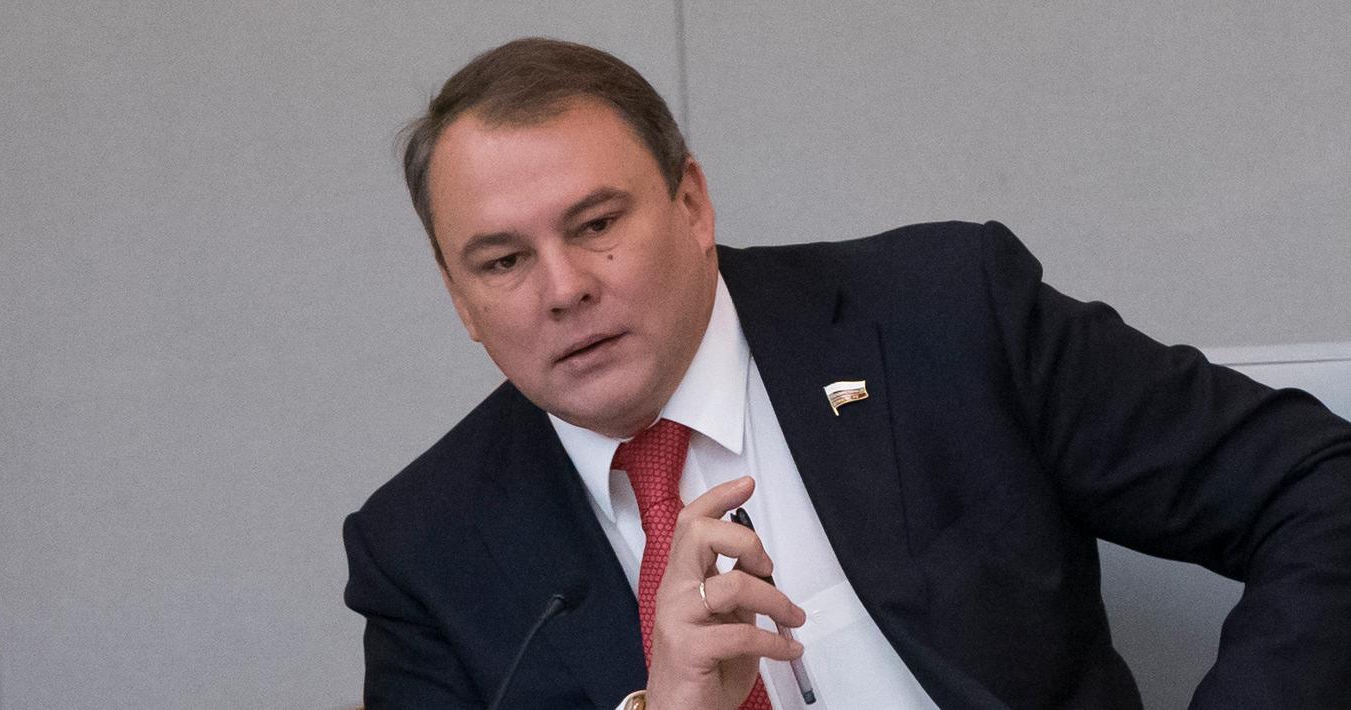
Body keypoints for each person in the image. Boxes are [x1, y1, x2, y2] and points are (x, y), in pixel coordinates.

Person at [343, 37, 1351, 709]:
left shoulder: (943, 318)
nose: (564, 289)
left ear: (691, 204)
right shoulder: (426, 550)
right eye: (503, 262)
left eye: (597, 224)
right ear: (458, 297)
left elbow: (1320, 485)